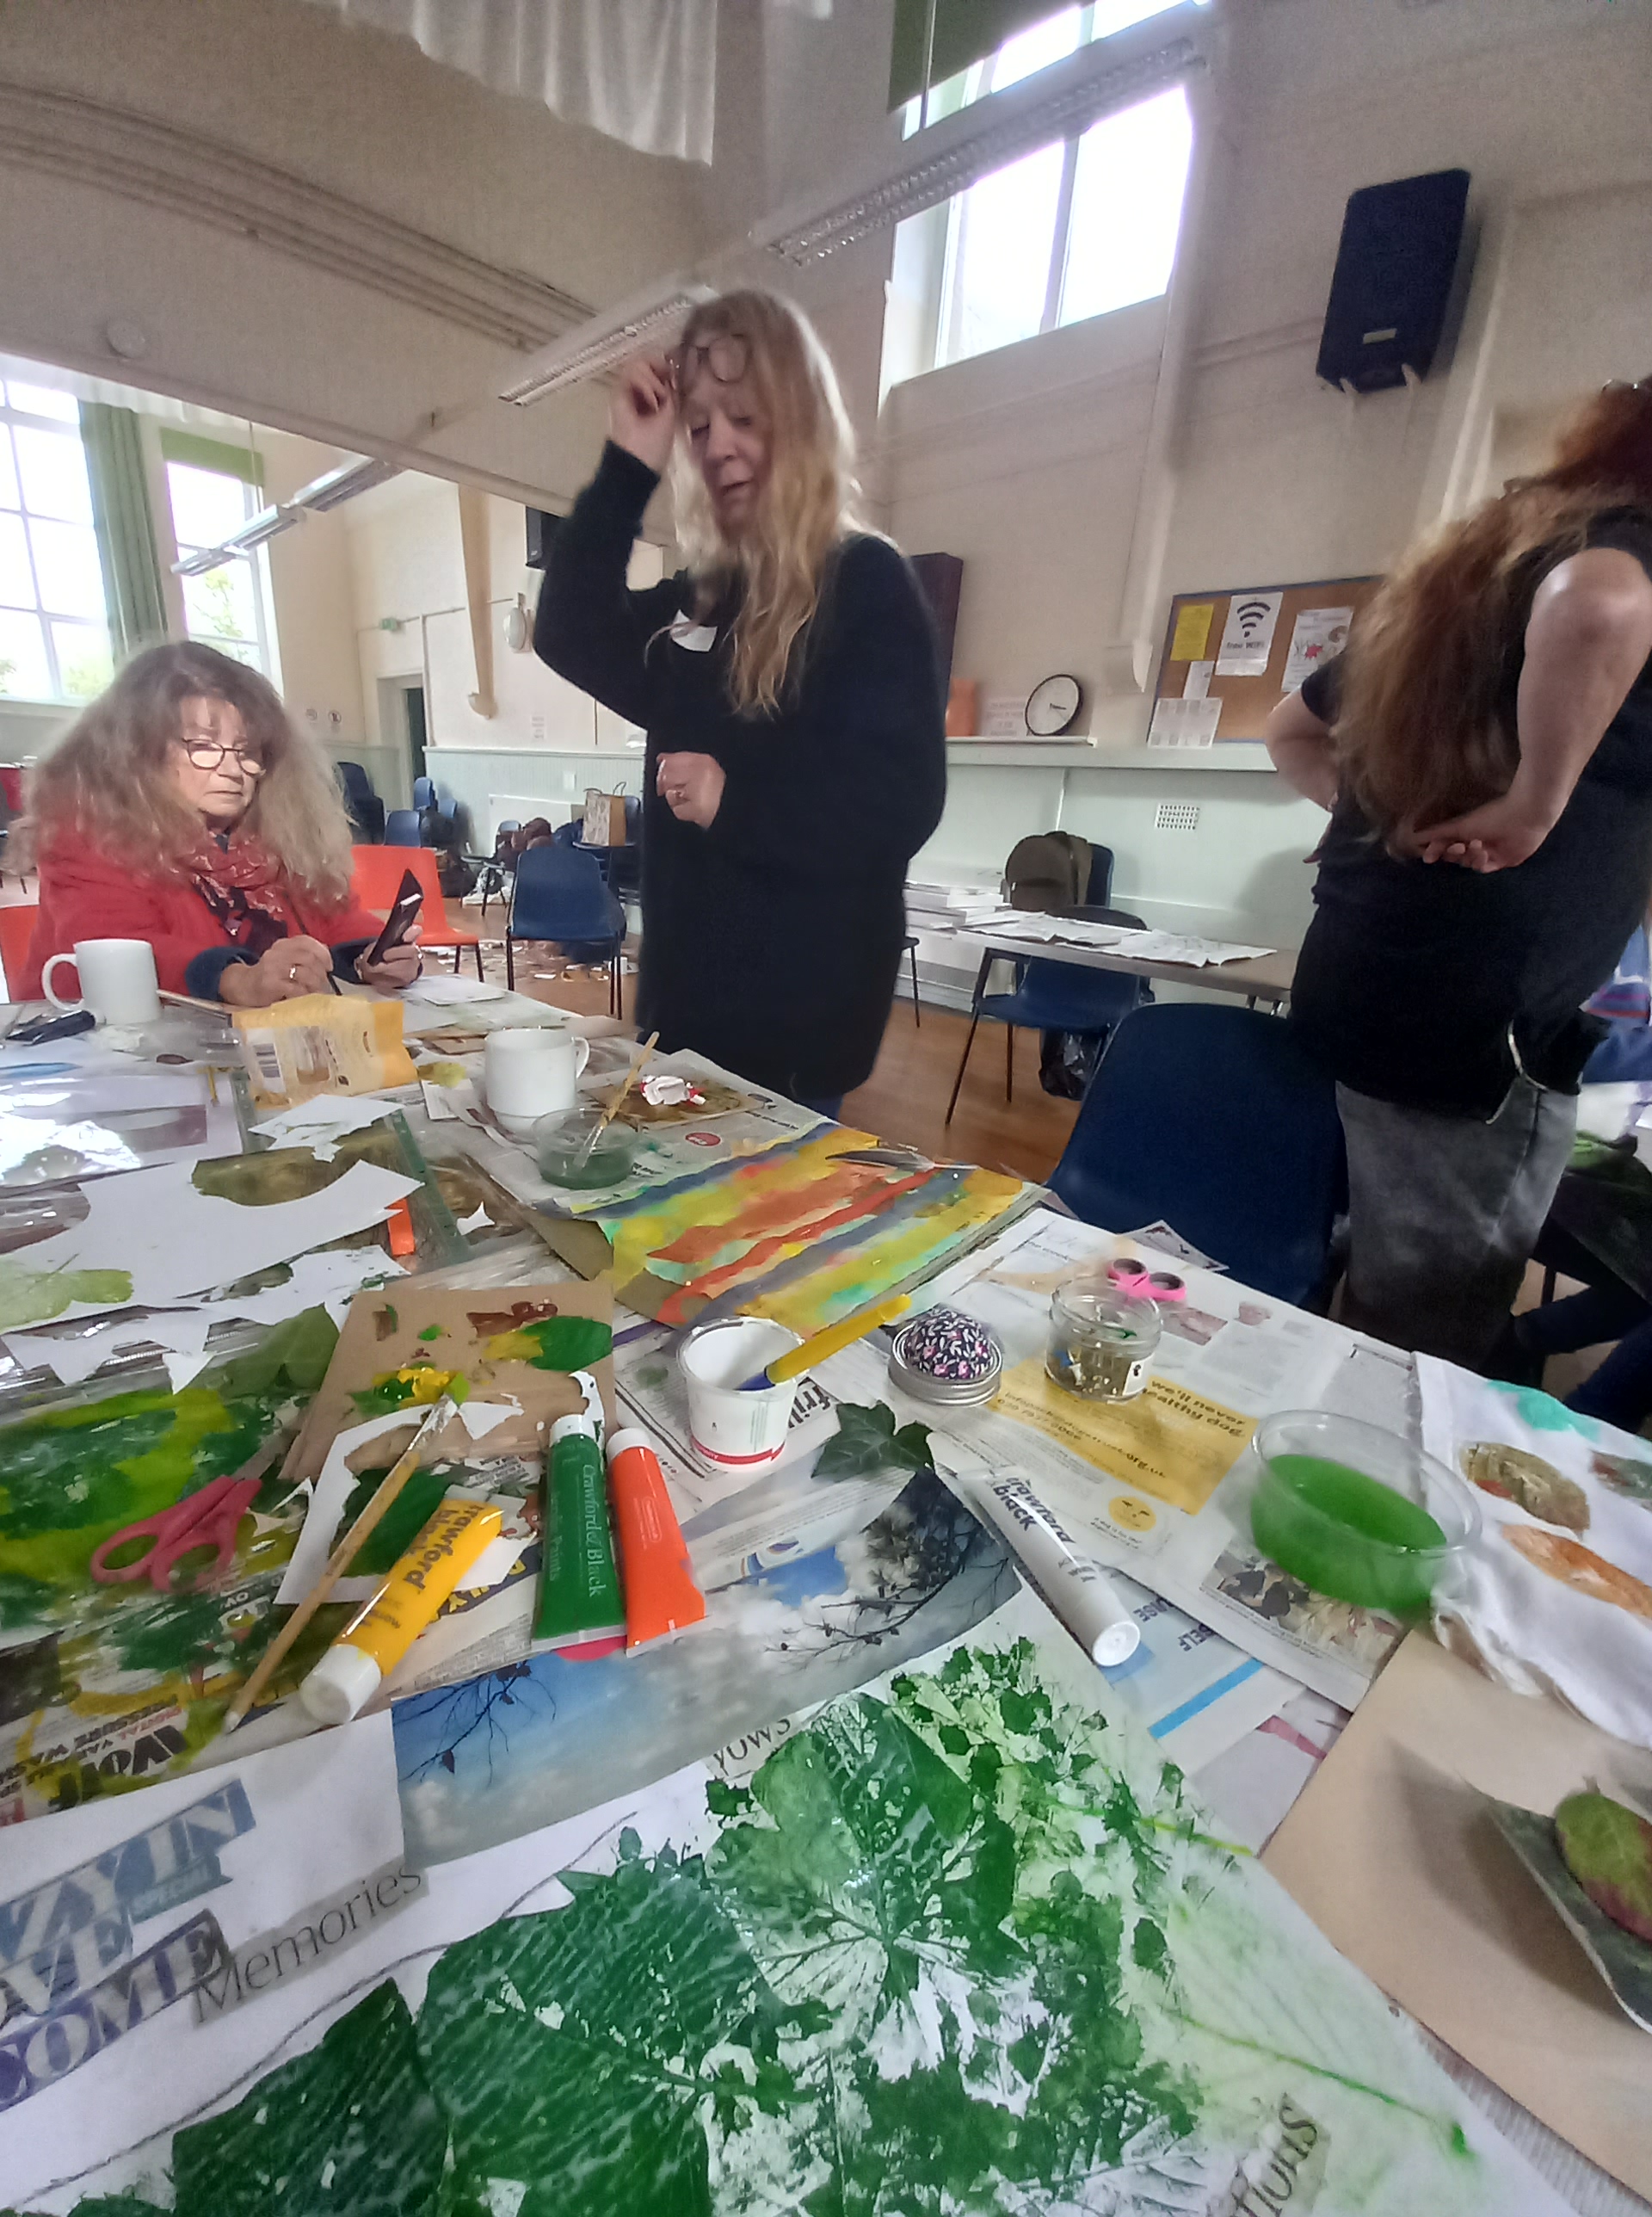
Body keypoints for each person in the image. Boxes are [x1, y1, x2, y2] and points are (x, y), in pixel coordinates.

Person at [1266, 379, 1652, 1368]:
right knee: (1422, 1337)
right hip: (1474, 1030)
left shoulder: (1480, 576)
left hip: (1361, 984)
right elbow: (1600, 602)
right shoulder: (1611, 560)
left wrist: (1383, 821)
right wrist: (1535, 803)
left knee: (1358, 1258)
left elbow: (1290, 730)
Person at [534, 287, 946, 1115]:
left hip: (795, 1040)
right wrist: (628, 467)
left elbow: (897, 808)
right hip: (685, 1026)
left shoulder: (865, 583)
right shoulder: (707, 597)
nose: (718, 444)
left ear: (800, 422)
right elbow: (569, 632)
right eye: (699, 427)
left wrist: (735, 802)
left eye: (746, 418)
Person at [17, 641, 422, 1006]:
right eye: (203, 746)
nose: (232, 769)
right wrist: (236, 979)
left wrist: (373, 955)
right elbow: (119, 949)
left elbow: (335, 914)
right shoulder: (86, 831)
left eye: (246, 751)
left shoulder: (273, 831)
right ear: (137, 751)